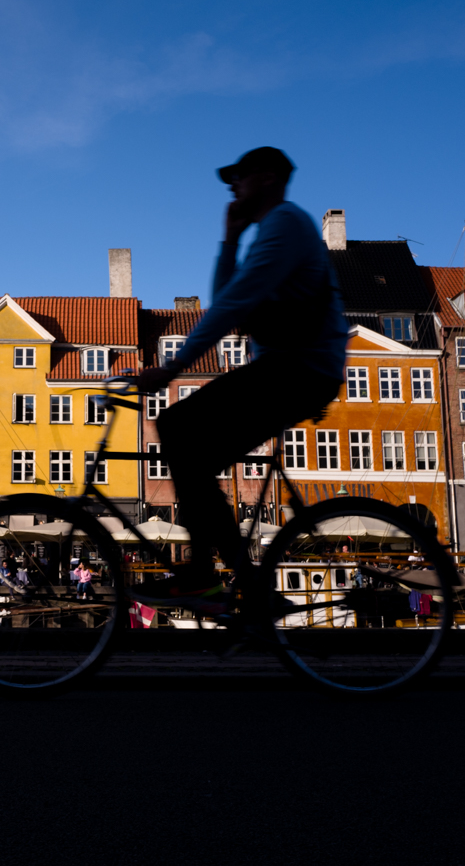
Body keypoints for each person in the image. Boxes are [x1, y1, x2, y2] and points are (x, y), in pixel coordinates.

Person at [130, 147, 348, 611]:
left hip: (298, 370)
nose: (232, 188)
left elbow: (227, 308)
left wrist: (171, 368)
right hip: (291, 369)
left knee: (177, 427)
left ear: (267, 178)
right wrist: (229, 240)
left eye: (239, 178)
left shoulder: (286, 225)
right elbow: (230, 304)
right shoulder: (270, 233)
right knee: (191, 449)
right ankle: (231, 581)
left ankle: (211, 578)